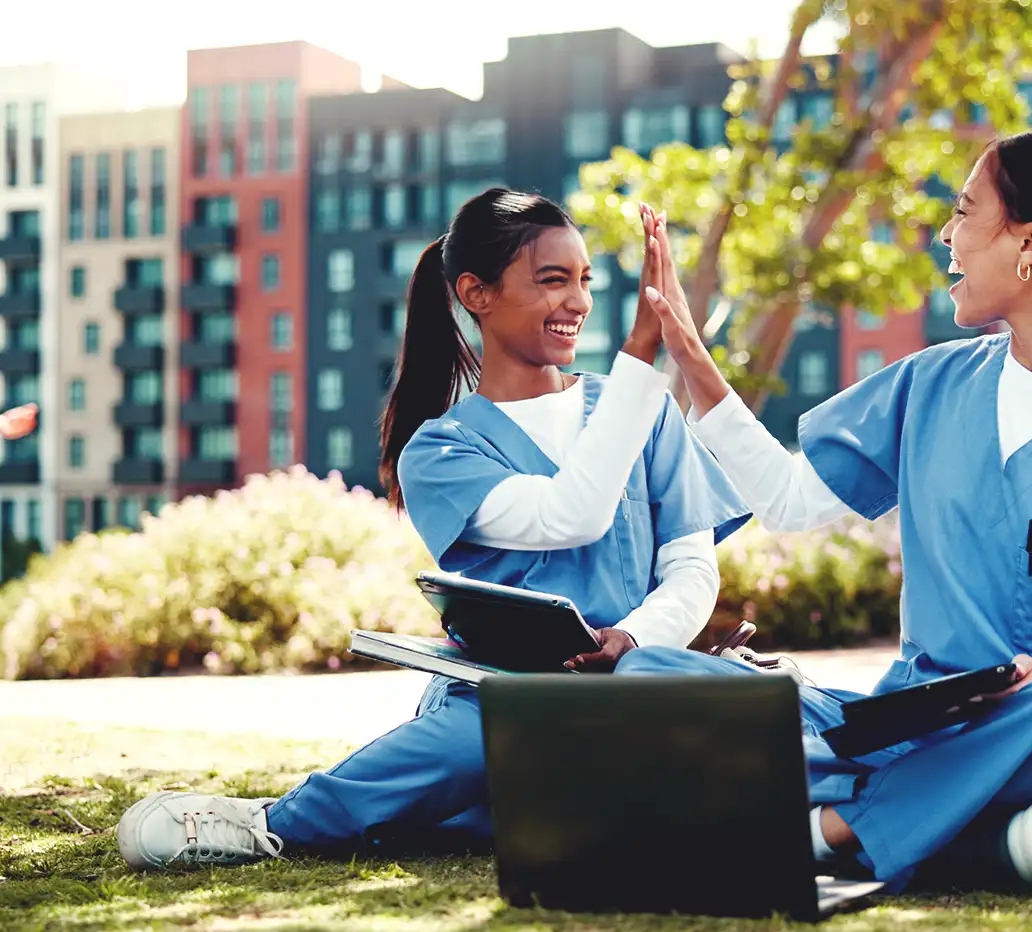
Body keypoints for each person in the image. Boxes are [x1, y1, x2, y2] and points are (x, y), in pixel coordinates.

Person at [617, 128, 1032, 894]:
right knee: (647, 673)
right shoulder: (929, 386)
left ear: (1031, 241)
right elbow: (788, 498)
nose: (948, 235)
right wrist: (690, 354)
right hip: (919, 728)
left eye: (966, 213)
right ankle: (998, 841)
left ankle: (832, 830)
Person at [115, 188, 750, 870]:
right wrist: (641, 357)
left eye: (585, 281)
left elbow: (692, 570)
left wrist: (632, 640)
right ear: (477, 293)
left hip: (633, 688)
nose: (579, 302)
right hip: (498, 707)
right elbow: (571, 513)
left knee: (756, 721)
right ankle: (274, 824)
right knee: (489, 743)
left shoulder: (643, 415)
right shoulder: (441, 452)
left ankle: (457, 814)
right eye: (552, 280)